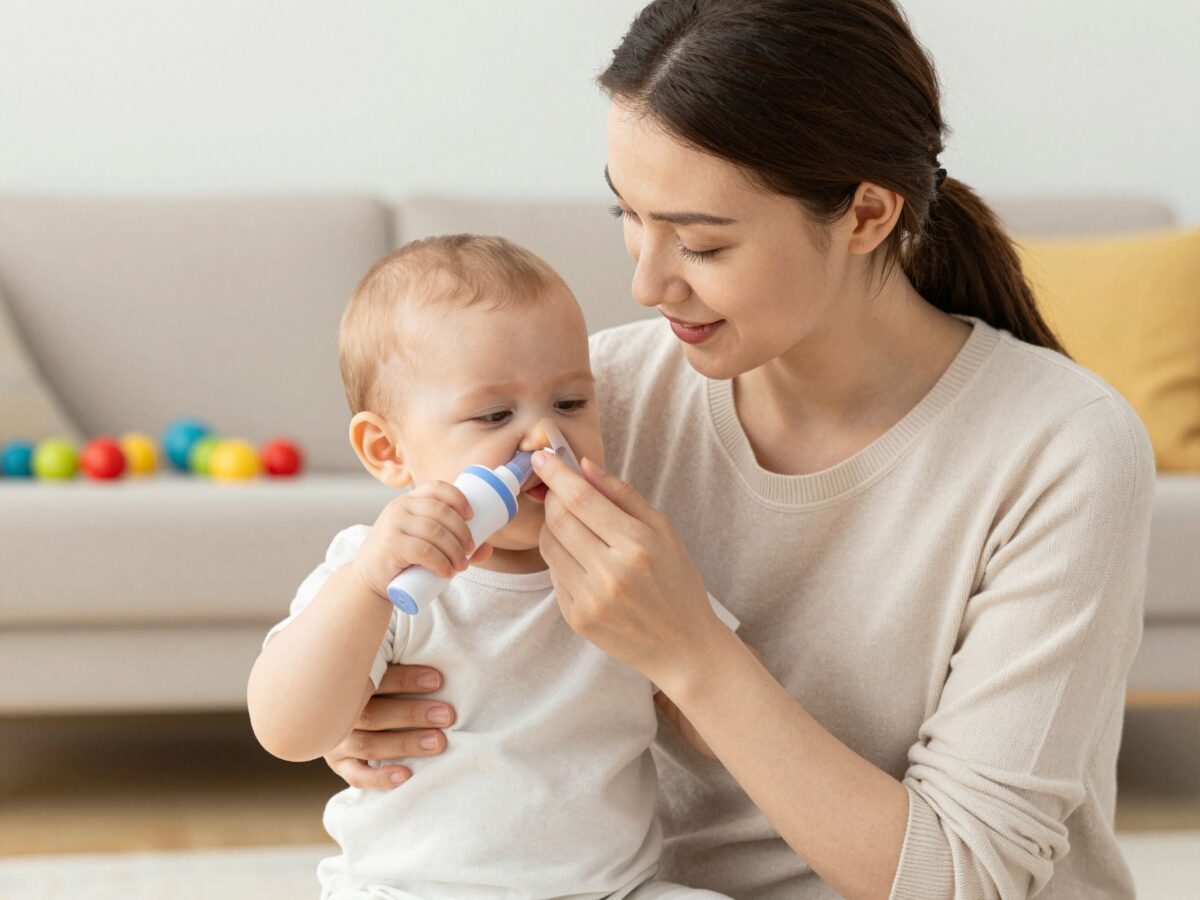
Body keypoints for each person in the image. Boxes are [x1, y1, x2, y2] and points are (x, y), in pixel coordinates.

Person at [320, 2, 1155, 898]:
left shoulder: (1061, 449)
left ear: (867, 213)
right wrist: (356, 705)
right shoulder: (590, 402)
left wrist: (693, 653)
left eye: (703, 242)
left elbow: (969, 882)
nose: (646, 281)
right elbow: (423, 612)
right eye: (628, 213)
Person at [247, 233, 747, 900]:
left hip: (611, 891)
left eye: (571, 403)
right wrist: (368, 584)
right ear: (387, 448)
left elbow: (722, 737)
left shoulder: (624, 564)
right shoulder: (380, 574)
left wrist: (685, 650)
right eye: (493, 414)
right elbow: (288, 731)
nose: (545, 438)